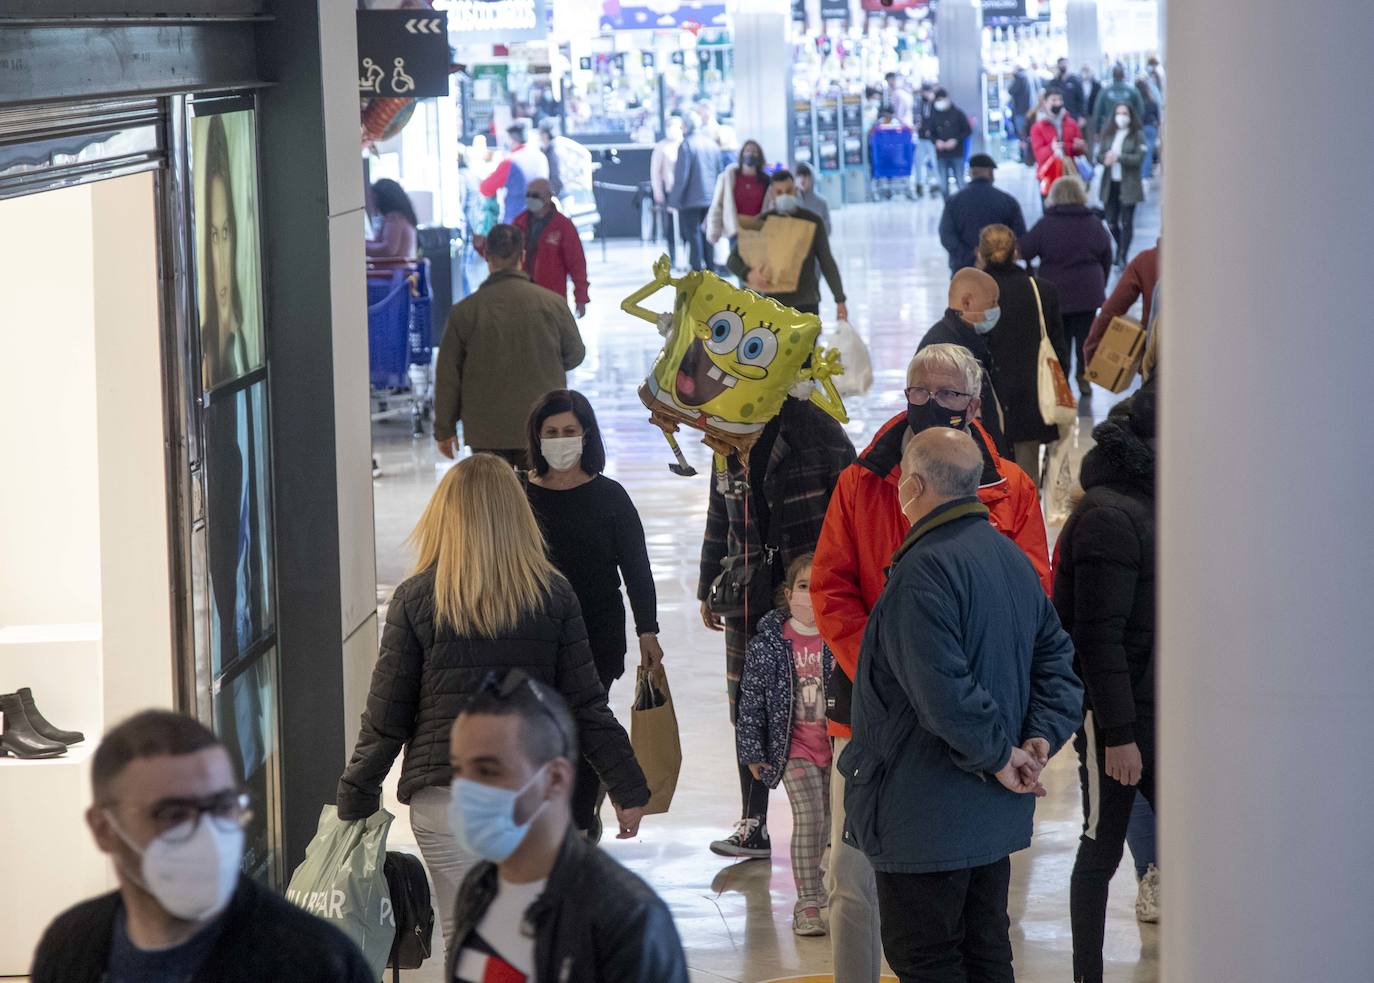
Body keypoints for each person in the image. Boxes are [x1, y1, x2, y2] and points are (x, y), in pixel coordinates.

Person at [336, 455, 651, 955]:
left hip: (446, 800)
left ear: (444, 516)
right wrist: (626, 785)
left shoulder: (417, 599)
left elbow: (386, 716)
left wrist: (356, 795)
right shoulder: (552, 595)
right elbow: (586, 706)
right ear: (518, 515)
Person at [812, 343, 1051, 983]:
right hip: (875, 718)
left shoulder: (1011, 488)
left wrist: (1017, 725)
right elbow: (832, 590)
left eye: (946, 394)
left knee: (972, 911)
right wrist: (891, 676)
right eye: (917, 390)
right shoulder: (861, 480)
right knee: (857, 880)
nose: (928, 403)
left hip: (976, 721)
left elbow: (1033, 608)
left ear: (973, 405)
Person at [840, 427, 1082, 983]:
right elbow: (1059, 666)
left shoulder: (922, 573)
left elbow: (942, 692)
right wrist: (1037, 740)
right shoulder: (1011, 560)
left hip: (924, 816)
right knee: (986, 952)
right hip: (991, 816)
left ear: (914, 484)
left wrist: (1001, 757)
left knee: (927, 960)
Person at [32, 710, 373, 983]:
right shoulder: (71, 946)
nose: (207, 835)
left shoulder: (317, 962)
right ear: (104, 829)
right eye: (173, 814)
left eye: (222, 807)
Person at [446, 674, 689, 983]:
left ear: (555, 779)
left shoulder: (629, 919)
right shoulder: (478, 888)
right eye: (458, 769)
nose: (466, 788)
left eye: (488, 770)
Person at [701, 391, 855, 860]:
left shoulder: (819, 430)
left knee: (815, 701)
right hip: (747, 588)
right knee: (750, 703)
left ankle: (834, 821)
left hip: (809, 591)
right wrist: (709, 579)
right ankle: (754, 822)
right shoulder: (729, 427)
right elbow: (718, 510)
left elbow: (848, 511)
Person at [1054, 380, 1159, 983]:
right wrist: (1119, 733)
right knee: (1100, 850)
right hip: (1119, 718)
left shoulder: (1148, 505)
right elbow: (1096, 638)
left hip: (1157, 709)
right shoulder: (1111, 517)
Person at [523, 390, 662, 841]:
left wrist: (648, 631)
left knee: (584, 727)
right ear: (537, 438)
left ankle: (580, 821)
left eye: (569, 431)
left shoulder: (610, 497)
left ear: (586, 435)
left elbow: (636, 569)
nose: (560, 440)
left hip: (596, 636)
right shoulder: (519, 496)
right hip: (532, 638)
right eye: (551, 433)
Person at [735, 554, 835, 937]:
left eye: (820, 585)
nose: (811, 595)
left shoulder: (838, 635)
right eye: (804, 586)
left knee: (828, 822)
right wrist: (753, 751)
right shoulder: (770, 644)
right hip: (792, 748)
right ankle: (807, 902)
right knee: (809, 819)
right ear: (789, 593)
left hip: (836, 746)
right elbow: (752, 699)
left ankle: (820, 879)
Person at [433, 224, 585, 467]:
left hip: (485, 430)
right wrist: (544, 362)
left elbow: (447, 375)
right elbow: (575, 354)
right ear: (522, 257)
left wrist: (444, 428)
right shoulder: (552, 304)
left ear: (487, 256)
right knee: (537, 498)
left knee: (493, 499)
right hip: (542, 424)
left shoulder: (465, 312)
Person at [199, 114, 263, 666]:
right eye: (211, 236)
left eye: (226, 235)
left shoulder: (241, 363)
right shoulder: (200, 369)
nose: (222, 260)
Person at [977, 224, 1069, 481]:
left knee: (993, 484)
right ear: (1016, 251)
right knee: (1026, 486)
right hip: (1033, 401)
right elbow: (1060, 352)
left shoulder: (975, 295)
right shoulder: (1043, 291)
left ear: (981, 254)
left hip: (989, 405)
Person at [1018, 176, 1113, 396]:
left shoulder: (1046, 224)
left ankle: (1062, 384)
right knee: (1085, 339)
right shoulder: (1094, 223)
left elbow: (1025, 249)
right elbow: (1107, 256)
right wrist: (1101, 283)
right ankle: (1083, 377)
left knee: (1058, 341)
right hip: (1088, 292)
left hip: (1055, 293)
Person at [726, 169, 848, 320]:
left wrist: (840, 299)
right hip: (771, 304)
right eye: (779, 192)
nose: (784, 196)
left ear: (796, 191)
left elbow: (826, 261)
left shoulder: (812, 221)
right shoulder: (762, 223)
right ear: (771, 194)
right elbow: (732, 259)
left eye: (788, 191)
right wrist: (748, 273)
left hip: (807, 302)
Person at [918, 267, 1009, 453]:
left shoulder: (970, 338)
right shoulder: (943, 351)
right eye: (992, 304)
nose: (996, 310)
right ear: (967, 302)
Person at [513, 178, 589, 318]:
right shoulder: (519, 223)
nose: (530, 199)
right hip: (521, 297)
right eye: (528, 195)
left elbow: (577, 264)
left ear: (548, 197)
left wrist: (581, 298)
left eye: (535, 195)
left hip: (552, 299)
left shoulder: (563, 226)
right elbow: (506, 255)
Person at [937, 153, 1027, 273]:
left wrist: (969, 256)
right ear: (990, 173)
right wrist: (999, 256)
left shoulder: (953, 202)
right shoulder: (1007, 201)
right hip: (1001, 270)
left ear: (970, 173)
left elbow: (946, 235)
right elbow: (1019, 234)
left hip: (964, 271)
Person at [1084, 238, 1160, 364]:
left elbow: (1113, 308)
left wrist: (1093, 348)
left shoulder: (1146, 260)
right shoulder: (1200, 264)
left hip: (1156, 361)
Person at [668, 113, 722, 272]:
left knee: (693, 234)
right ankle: (711, 268)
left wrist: (674, 201)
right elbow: (719, 172)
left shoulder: (686, 145)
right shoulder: (712, 144)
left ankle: (698, 269)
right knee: (708, 233)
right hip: (710, 198)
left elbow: (681, 176)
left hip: (690, 199)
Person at [1096, 103, 1147, 268]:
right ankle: (1119, 248)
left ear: (1131, 116)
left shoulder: (1137, 135)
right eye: (1118, 113)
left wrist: (1119, 157)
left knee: (1126, 221)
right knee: (1110, 221)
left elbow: (1139, 158)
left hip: (1129, 184)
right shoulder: (1109, 134)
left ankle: (1123, 254)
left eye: (1125, 113)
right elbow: (1099, 155)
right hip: (1110, 184)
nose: (1121, 116)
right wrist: (1105, 158)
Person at [479, 119, 549, 224]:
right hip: (542, 217)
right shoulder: (541, 157)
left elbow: (486, 188)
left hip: (517, 219)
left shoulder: (511, 161)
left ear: (511, 140)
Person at [707, 137, 769, 251]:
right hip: (736, 231)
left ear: (760, 156)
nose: (750, 154)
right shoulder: (729, 176)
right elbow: (717, 205)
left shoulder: (766, 180)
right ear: (741, 154)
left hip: (758, 232)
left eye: (754, 152)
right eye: (747, 151)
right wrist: (714, 230)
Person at [1030, 85, 1088, 200]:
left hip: (1069, 173)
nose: (1058, 103)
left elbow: (1080, 151)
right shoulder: (1037, 128)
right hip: (1048, 175)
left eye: (1060, 100)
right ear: (1045, 102)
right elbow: (1038, 155)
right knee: (1050, 210)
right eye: (1054, 100)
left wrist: (1079, 147)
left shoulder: (1071, 123)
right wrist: (1051, 148)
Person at [921, 88, 972, 199]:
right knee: (943, 185)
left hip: (957, 153)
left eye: (941, 99)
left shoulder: (958, 114)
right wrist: (936, 142)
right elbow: (930, 133)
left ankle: (965, 204)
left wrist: (956, 140)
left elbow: (967, 131)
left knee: (960, 182)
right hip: (941, 155)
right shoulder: (934, 116)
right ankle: (948, 206)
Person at [650, 114, 684, 269]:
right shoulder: (661, 147)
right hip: (669, 192)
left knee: (686, 227)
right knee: (670, 228)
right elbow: (655, 172)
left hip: (685, 192)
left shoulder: (684, 144)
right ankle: (674, 258)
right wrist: (658, 191)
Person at [365, 177, 419, 261]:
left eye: (373, 197)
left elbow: (389, 249)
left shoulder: (394, 218)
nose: (371, 202)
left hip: (396, 272)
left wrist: (362, 248)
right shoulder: (401, 217)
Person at [1091, 65, 1145, 144]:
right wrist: (1138, 128)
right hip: (1130, 130)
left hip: (1109, 130)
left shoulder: (1104, 92)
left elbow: (1097, 113)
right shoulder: (1133, 91)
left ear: (1112, 75)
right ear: (1124, 75)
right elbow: (1141, 111)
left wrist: (1097, 131)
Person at [1134, 76, 1162, 181]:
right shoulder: (1151, 100)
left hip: (1139, 128)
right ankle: (1145, 173)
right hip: (1150, 126)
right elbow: (1157, 115)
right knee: (1149, 151)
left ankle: (1141, 173)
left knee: (1139, 150)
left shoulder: (1135, 102)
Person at [914, 83, 939, 196]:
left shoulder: (936, 104)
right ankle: (919, 184)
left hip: (933, 139)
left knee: (934, 162)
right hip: (922, 137)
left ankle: (936, 184)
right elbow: (919, 117)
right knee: (919, 161)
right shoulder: (920, 103)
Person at [793, 161, 832, 235]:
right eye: (799, 175)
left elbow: (828, 229)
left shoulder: (821, 202)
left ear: (812, 178)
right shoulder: (792, 201)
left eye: (806, 176)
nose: (802, 179)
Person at [1008, 65, 1035, 164]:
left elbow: (1010, 90)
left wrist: (1014, 76)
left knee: (1022, 136)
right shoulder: (1028, 78)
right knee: (1025, 135)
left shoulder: (1020, 78)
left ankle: (1026, 157)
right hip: (1026, 111)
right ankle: (1026, 156)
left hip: (1021, 112)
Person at [1053, 57, 1086, 123]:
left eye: (1064, 63)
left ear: (1068, 64)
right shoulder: (1054, 82)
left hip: (1073, 116)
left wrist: (1082, 116)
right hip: (1057, 116)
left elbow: (1081, 100)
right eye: (1061, 63)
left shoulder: (1075, 80)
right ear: (1058, 65)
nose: (1063, 65)